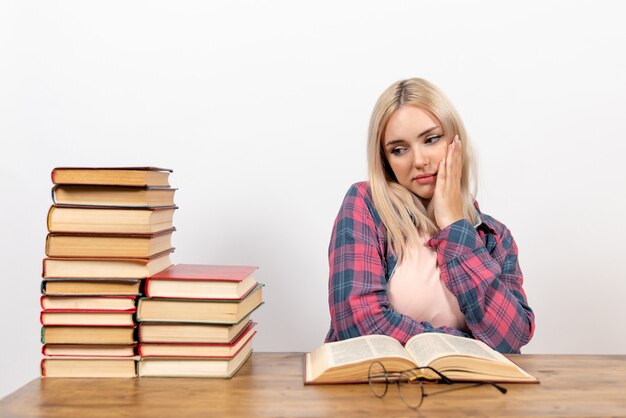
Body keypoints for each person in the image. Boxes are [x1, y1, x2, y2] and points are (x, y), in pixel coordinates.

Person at [325, 77, 535, 354]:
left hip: (472, 395)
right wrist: (468, 344)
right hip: (377, 390)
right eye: (399, 150)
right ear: (385, 160)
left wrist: (454, 226)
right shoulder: (366, 205)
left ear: (454, 140)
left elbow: (512, 337)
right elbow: (358, 324)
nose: (420, 160)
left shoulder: (494, 236)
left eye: (431, 139)